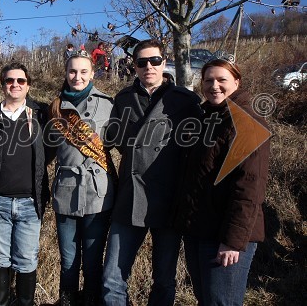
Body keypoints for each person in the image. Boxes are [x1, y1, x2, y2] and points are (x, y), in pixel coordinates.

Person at [102, 39, 202, 305]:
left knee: (164, 279)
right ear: (134, 66)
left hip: (169, 200)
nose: (149, 66)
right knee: (112, 278)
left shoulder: (186, 101)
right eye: (142, 62)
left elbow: (198, 151)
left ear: (164, 62)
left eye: (155, 61)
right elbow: (113, 140)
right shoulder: (123, 99)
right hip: (130, 197)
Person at [173, 58, 270, 305]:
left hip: (225, 237)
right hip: (199, 230)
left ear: (236, 82)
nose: (214, 86)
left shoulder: (247, 122)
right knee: (205, 299)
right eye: (208, 80)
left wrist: (232, 241)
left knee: (221, 302)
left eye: (221, 80)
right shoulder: (208, 118)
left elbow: (249, 189)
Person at [47, 50, 116, 305]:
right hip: (65, 191)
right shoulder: (54, 107)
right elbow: (45, 151)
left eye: (83, 71)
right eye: (72, 71)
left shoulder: (108, 103)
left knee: (92, 260)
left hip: (98, 194)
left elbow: (120, 143)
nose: (77, 76)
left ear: (93, 73)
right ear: (66, 73)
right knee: (68, 261)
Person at [0, 62, 50, 306]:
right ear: (3, 85)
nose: (15, 85)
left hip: (30, 203)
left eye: (21, 81)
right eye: (10, 80)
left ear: (28, 85)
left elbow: (48, 154)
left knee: (27, 258)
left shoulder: (40, 116)